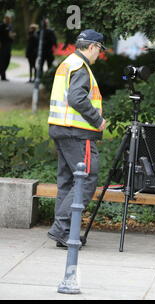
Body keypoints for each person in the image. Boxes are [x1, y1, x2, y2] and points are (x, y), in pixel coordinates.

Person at [47, 29, 107, 249]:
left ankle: (64, 233)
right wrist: (97, 119)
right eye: (99, 50)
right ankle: (61, 228)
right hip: (77, 132)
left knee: (67, 181)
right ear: (92, 46)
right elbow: (76, 98)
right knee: (87, 177)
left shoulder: (68, 63)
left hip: (61, 129)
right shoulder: (81, 67)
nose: (98, 55)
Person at [0, 15, 15, 81]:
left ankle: (2, 72)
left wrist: (12, 36)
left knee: (7, 59)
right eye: (7, 19)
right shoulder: (2, 26)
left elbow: (11, 35)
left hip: (8, 44)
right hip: (3, 45)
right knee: (2, 60)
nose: (8, 20)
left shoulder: (10, 26)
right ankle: (3, 75)